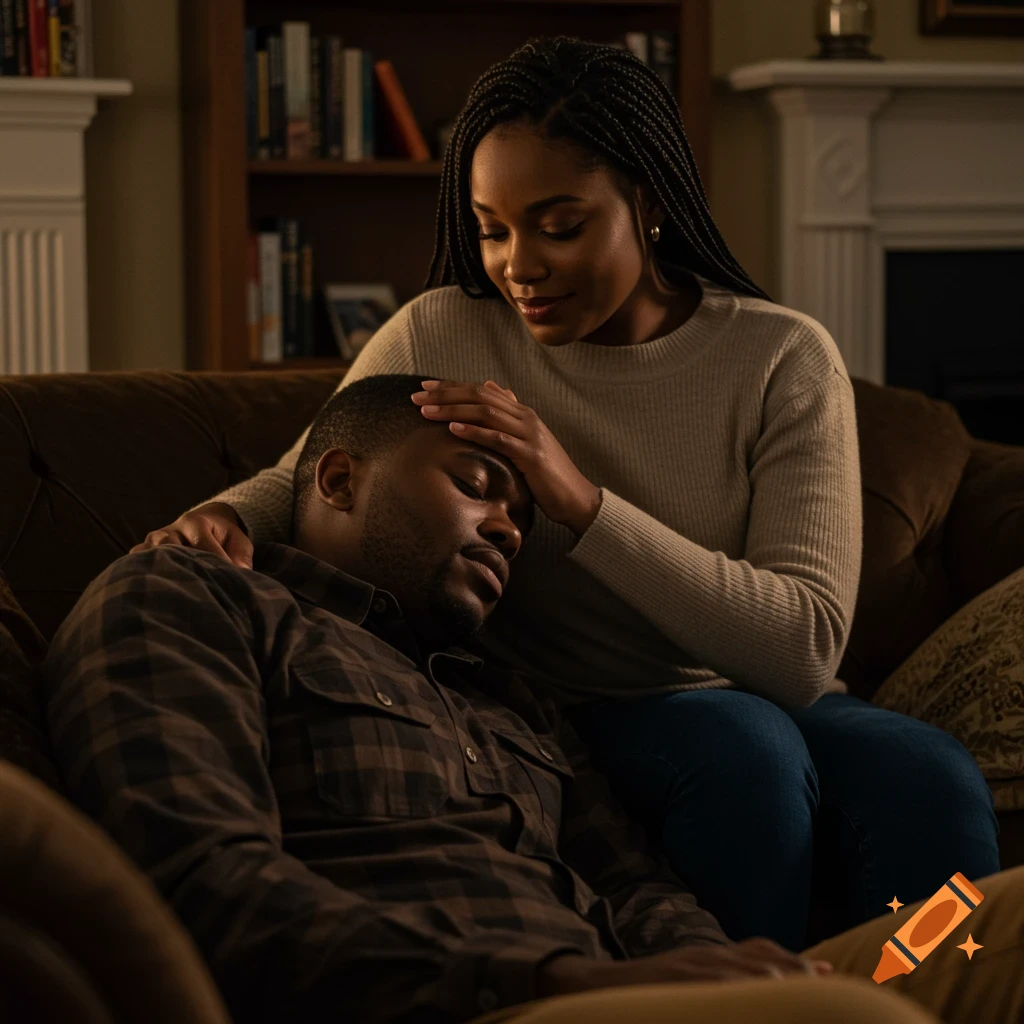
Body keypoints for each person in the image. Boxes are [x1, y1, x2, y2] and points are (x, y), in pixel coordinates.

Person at [133, 37, 1000, 952]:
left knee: (931, 774)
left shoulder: (781, 359)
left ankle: (919, 991)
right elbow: (310, 471)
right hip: (562, 708)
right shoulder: (445, 329)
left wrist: (582, 502)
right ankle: (741, 1013)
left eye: (559, 225)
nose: (519, 266)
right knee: (742, 750)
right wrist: (220, 519)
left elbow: (799, 652)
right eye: (492, 227)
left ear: (651, 205)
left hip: (760, 689)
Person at [42, 374, 1024, 1024]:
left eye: (521, 514)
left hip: (643, 996)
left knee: (991, 922)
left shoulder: (509, 695)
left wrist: (718, 971)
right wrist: (574, 981)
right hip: (498, 1001)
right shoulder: (189, 599)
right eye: (477, 486)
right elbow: (202, 893)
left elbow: (639, 888)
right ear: (337, 477)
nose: (509, 528)